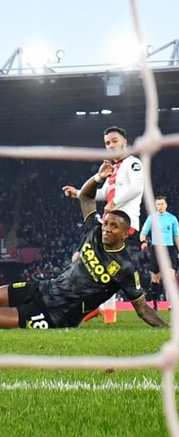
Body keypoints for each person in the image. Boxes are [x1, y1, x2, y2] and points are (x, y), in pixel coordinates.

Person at [0, 163, 168, 330]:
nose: (107, 228)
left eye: (114, 226)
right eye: (107, 222)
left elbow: (142, 309)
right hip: (45, 288)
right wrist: (98, 177)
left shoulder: (125, 268)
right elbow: (86, 198)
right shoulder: (95, 230)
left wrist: (166, 329)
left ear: (125, 233)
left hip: (59, 314)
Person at [62, 125, 143, 321]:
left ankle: (94, 308)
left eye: (114, 141)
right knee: (83, 259)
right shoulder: (114, 169)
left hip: (124, 224)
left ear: (124, 141)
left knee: (89, 260)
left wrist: (115, 202)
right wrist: (78, 194)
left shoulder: (133, 163)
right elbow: (103, 194)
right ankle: (99, 309)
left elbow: (138, 186)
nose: (111, 145)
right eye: (107, 143)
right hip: (110, 222)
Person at [139, 196, 179, 310]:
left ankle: (172, 304)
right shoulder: (152, 218)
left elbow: (176, 236)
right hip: (156, 249)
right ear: (155, 206)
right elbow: (143, 232)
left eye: (162, 204)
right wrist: (143, 242)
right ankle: (155, 304)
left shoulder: (172, 219)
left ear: (166, 205)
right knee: (155, 279)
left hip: (169, 249)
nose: (160, 206)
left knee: (170, 278)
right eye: (158, 204)